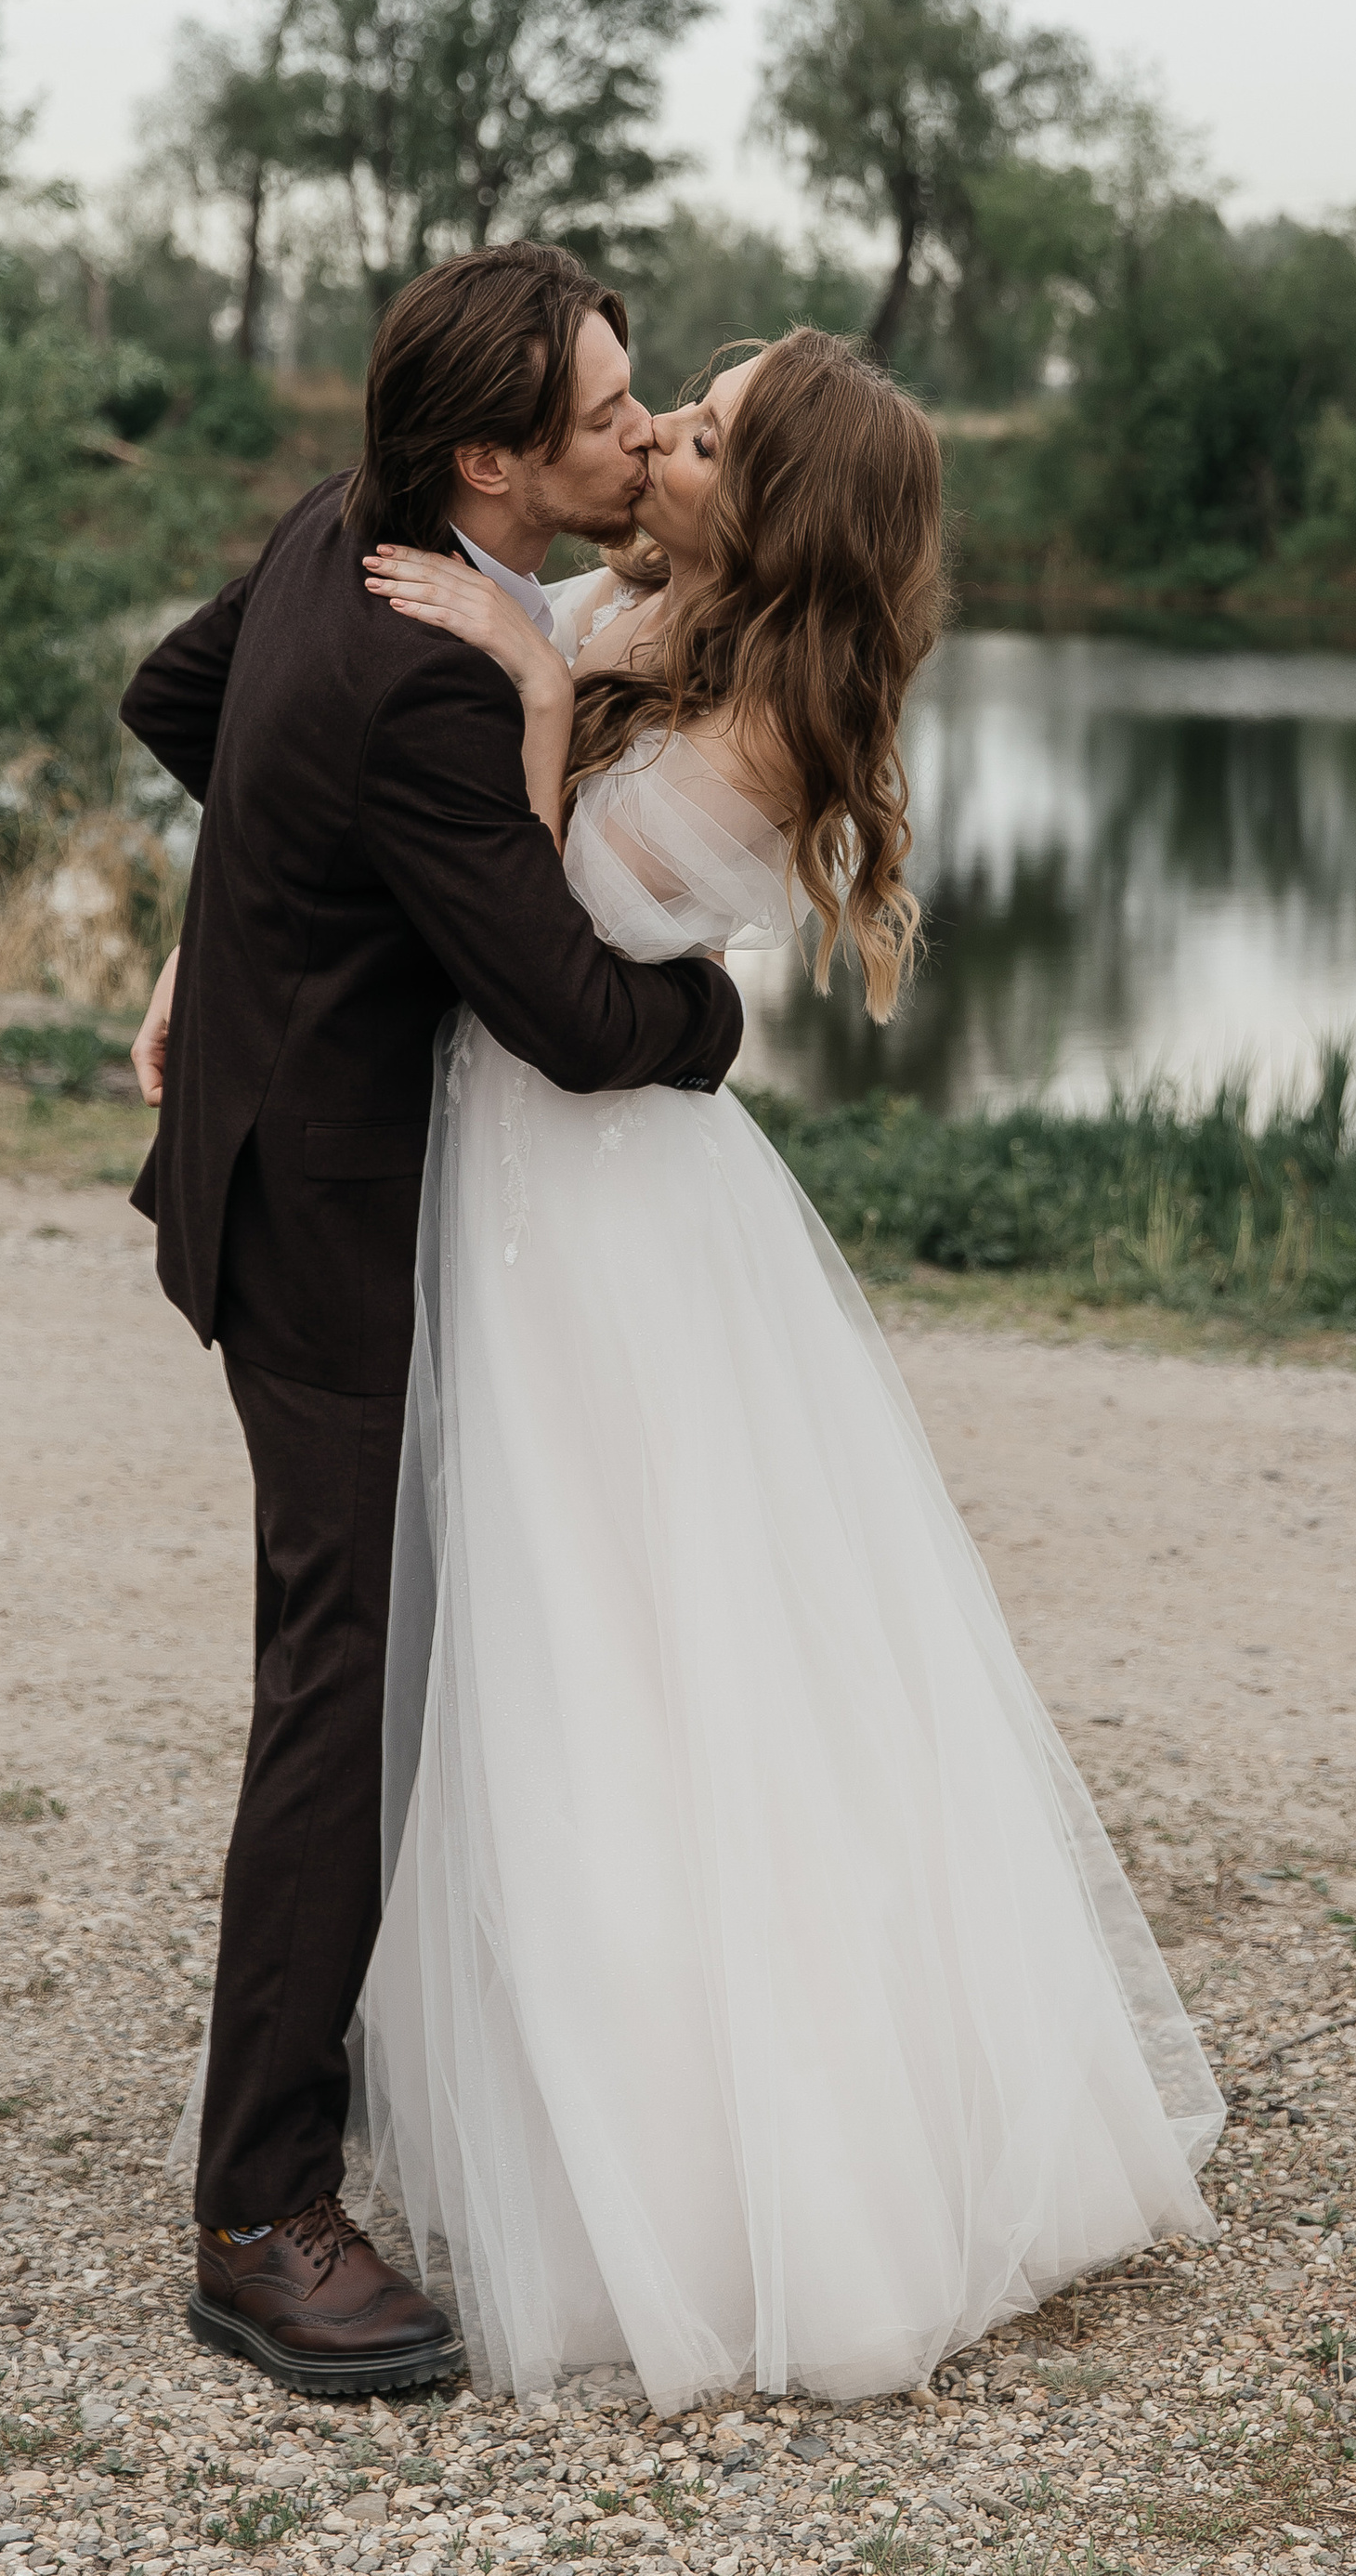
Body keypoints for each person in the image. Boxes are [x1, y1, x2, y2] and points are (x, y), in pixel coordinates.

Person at [352, 326, 1222, 2408]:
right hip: (524, 1189)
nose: (661, 441)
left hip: (608, 1211)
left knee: (652, 1659)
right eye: (675, 410)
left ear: (780, 507)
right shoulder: (640, 597)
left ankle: (746, 2169)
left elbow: (544, 940)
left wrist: (541, 689)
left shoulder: (769, 727)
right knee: (554, 1650)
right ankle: (553, 2089)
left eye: (711, 434)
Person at [120, 244, 745, 2399]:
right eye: (602, 416)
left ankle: (374, 2066)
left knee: (380, 1659)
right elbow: (573, 1018)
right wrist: (719, 1014)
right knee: (342, 1686)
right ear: (488, 454)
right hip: (323, 1227)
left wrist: (233, 940)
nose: (637, 433)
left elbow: (177, 705)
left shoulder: (342, 525)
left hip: (262, 1156)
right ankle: (256, 2215)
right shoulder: (435, 680)